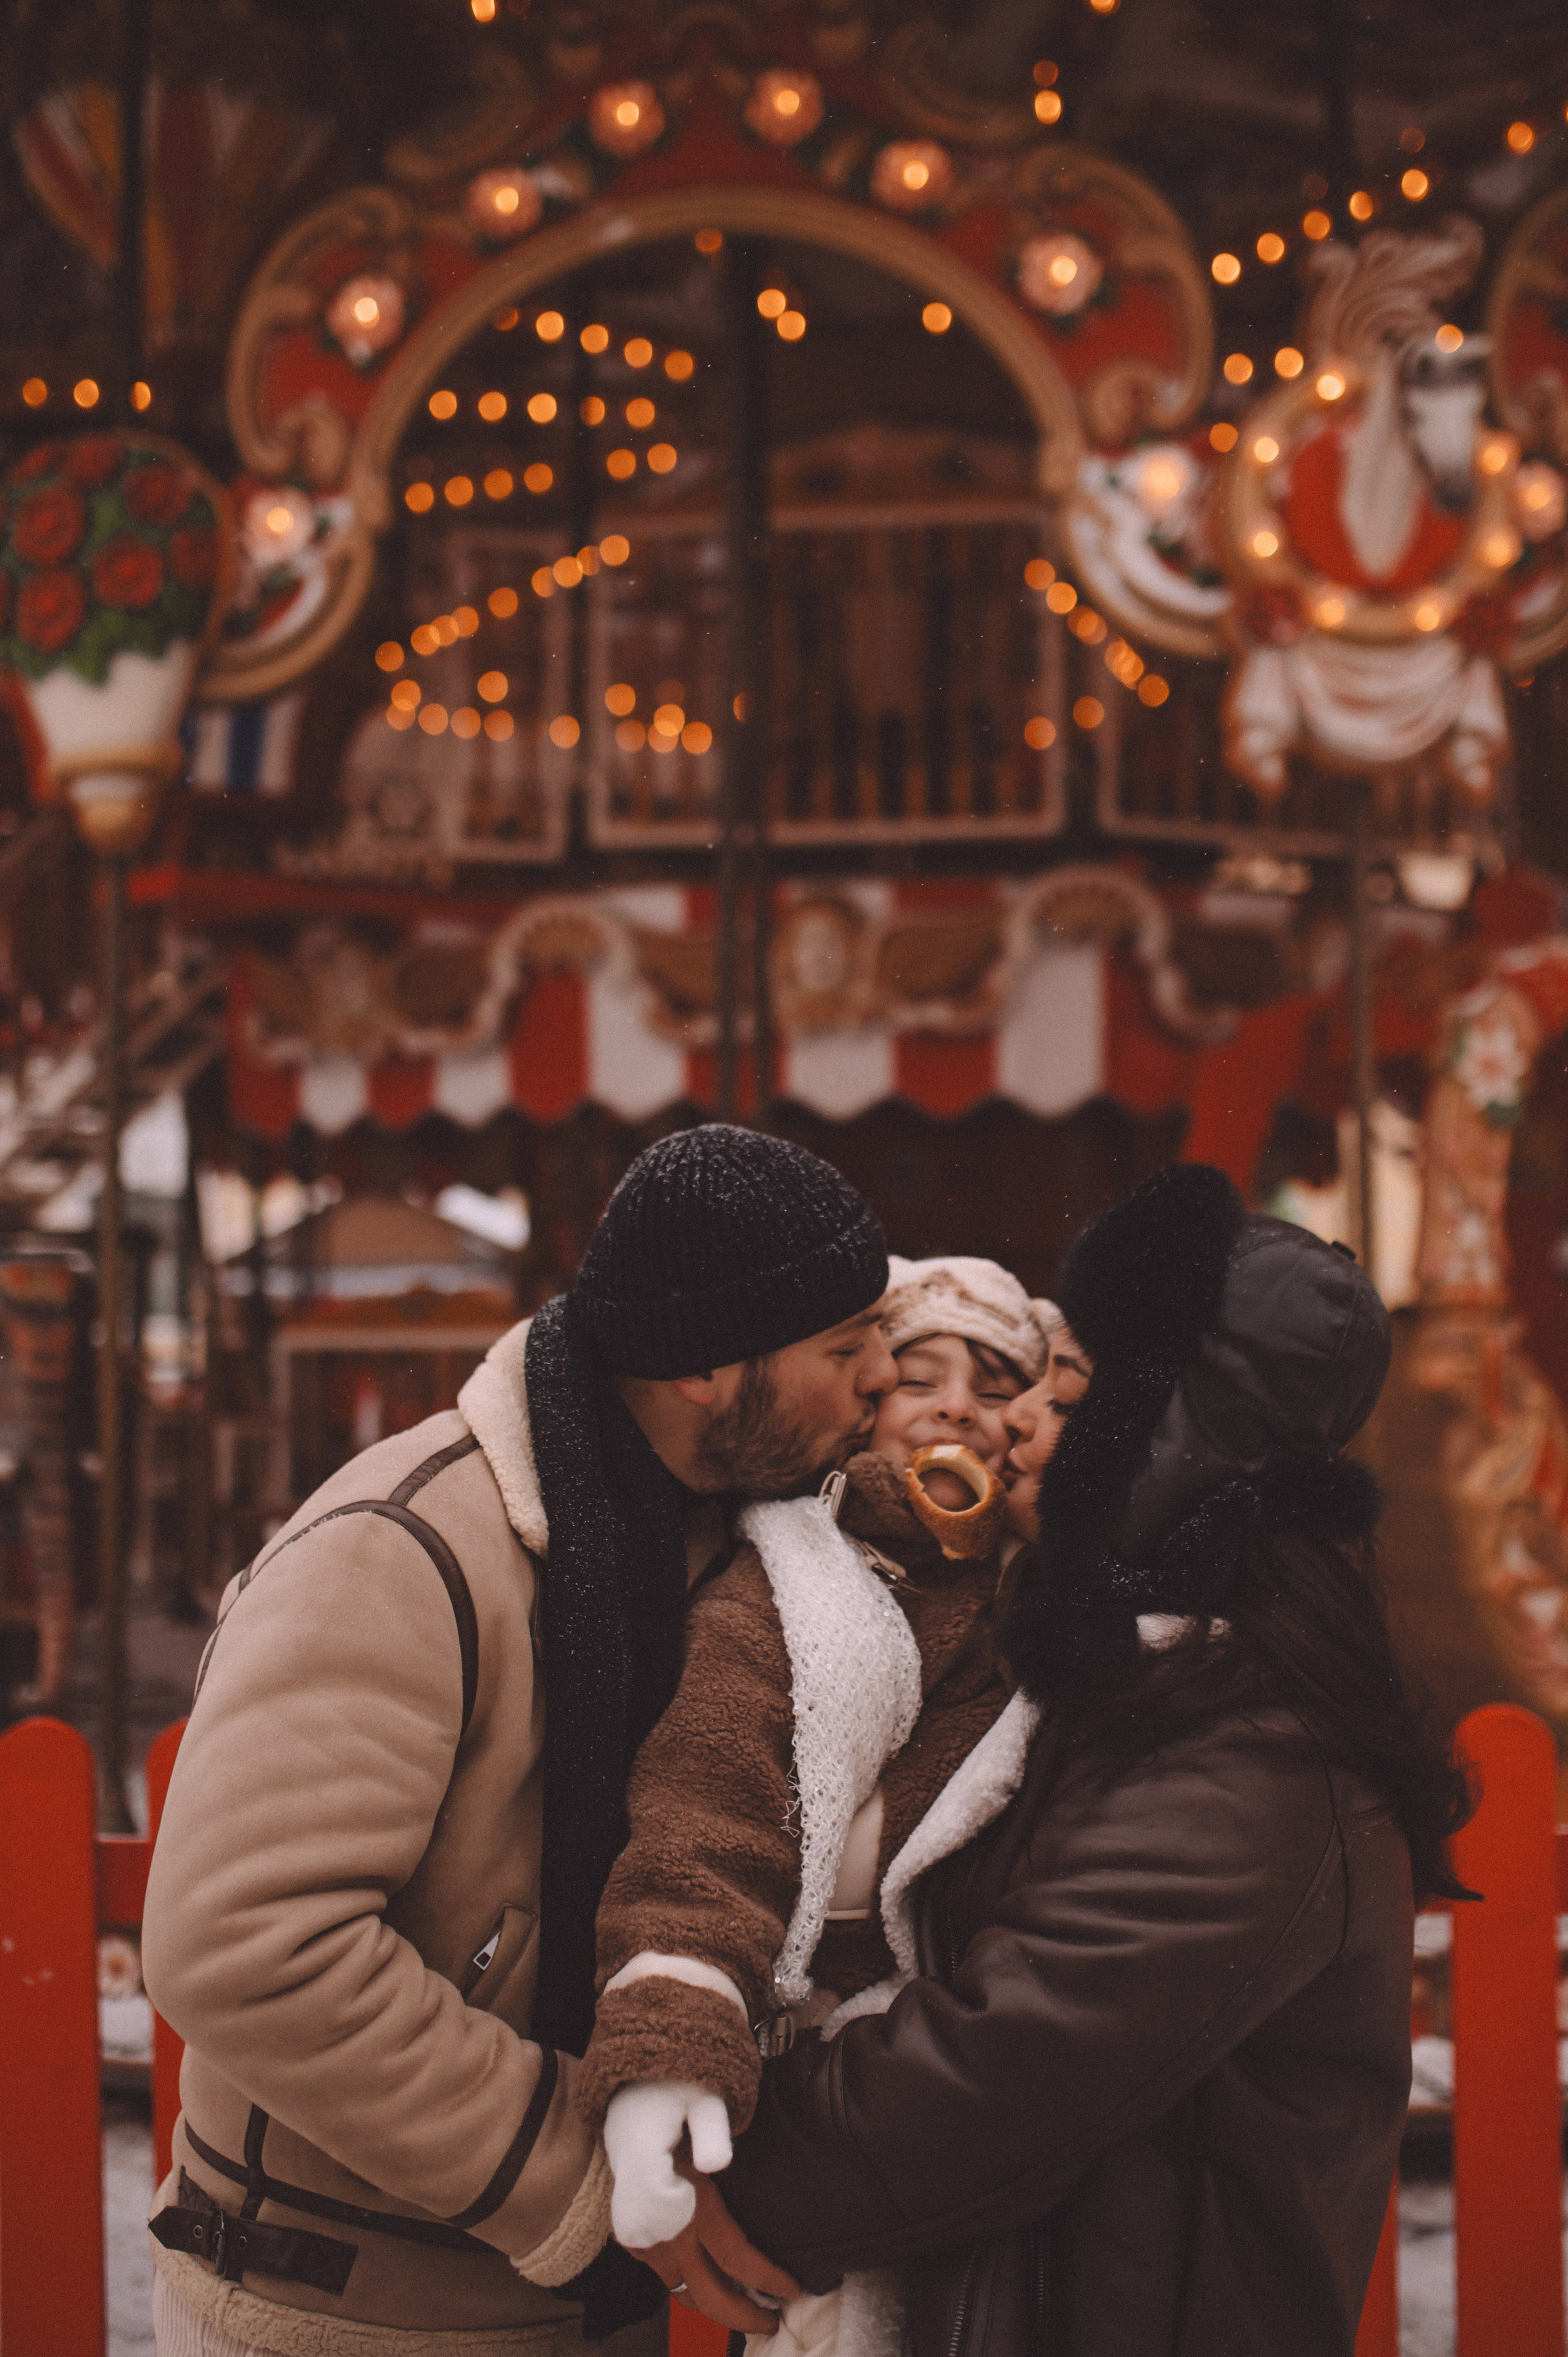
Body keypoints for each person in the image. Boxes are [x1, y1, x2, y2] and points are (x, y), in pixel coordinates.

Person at [656, 1164, 1474, 2357]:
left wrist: (699, 2157)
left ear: (1174, 1436)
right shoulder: (1122, 1680)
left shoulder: (1261, 1759)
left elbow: (1002, 2059)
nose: (1023, 1417)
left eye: (1071, 1384)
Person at [141, 1124, 892, 2357]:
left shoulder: (733, 1546)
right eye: (843, 1347)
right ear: (706, 1365)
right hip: (341, 2314)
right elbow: (243, 1946)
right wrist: (571, 2174)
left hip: (566, 2306)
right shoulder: (399, 1549)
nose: (879, 1376)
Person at [572, 1258, 1058, 2353]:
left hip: (1003, 2068)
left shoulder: (1051, 1597)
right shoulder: (789, 1587)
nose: (956, 1407)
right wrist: (671, 2036)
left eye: (994, 1387)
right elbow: (711, 1814)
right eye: (920, 1376)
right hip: (844, 2075)